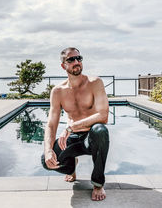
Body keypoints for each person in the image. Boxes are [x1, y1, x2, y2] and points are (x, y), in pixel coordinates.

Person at [41, 47, 110, 201]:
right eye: (71, 60)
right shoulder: (58, 91)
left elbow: (103, 116)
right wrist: (47, 150)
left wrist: (70, 127)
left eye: (79, 58)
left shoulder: (95, 83)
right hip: (72, 139)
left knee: (100, 130)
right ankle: (71, 167)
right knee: (46, 162)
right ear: (63, 65)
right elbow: (51, 124)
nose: (76, 62)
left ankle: (98, 183)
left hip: (91, 138)